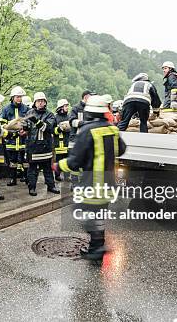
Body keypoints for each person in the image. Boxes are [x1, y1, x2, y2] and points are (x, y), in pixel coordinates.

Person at [55, 95, 127, 260]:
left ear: (89, 112)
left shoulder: (87, 131)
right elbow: (121, 150)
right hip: (109, 184)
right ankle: (96, 248)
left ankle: (98, 246)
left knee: (80, 210)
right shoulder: (112, 129)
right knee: (99, 214)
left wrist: (58, 166)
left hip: (93, 184)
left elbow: (75, 161)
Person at [26, 92, 60, 196]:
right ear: (34, 102)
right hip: (32, 146)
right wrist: (23, 129)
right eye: (38, 101)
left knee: (47, 168)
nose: (40, 103)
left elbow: (48, 128)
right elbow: (27, 126)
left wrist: (35, 121)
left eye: (42, 101)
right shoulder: (29, 112)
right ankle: (32, 188)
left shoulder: (50, 114)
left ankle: (51, 186)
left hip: (45, 147)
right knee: (32, 169)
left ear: (45, 102)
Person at [0, 86, 30, 186]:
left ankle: (26, 178)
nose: (19, 99)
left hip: (23, 140)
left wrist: (26, 131)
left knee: (25, 160)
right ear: (12, 97)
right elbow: (2, 123)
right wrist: (9, 127)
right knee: (12, 161)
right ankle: (13, 179)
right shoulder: (6, 109)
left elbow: (30, 123)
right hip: (11, 140)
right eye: (17, 97)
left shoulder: (26, 109)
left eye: (20, 97)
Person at [53, 99, 70, 182]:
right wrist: (60, 129)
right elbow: (53, 131)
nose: (67, 107)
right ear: (61, 107)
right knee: (58, 161)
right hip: (58, 144)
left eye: (67, 106)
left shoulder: (69, 116)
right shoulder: (55, 117)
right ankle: (57, 175)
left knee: (67, 161)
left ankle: (67, 176)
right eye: (65, 106)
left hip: (67, 143)